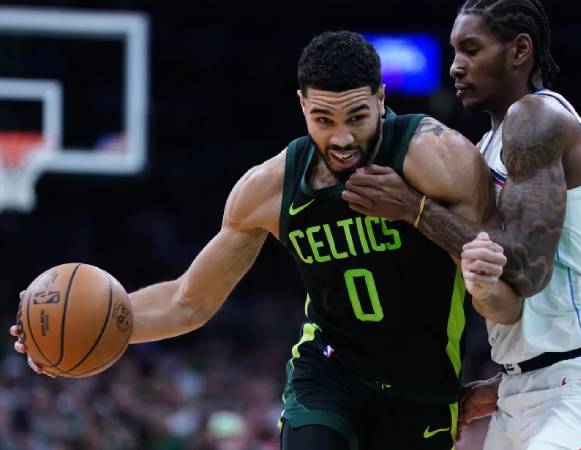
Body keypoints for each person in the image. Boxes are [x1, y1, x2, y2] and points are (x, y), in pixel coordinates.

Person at [11, 31, 501, 450]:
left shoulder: (436, 157)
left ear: (381, 99)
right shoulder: (267, 189)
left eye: (357, 116)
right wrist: (86, 330)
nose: (343, 137)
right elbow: (188, 301)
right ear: (302, 106)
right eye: (323, 119)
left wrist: (416, 212)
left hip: (423, 390)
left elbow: (501, 270)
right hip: (330, 373)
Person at [342, 1, 581, 448]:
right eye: (454, 51)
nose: (456, 67)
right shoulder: (485, 147)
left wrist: (413, 208)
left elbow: (524, 271)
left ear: (520, 50)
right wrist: (501, 386)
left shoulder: (536, 118)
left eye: (471, 50)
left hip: (580, 385)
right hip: (525, 385)